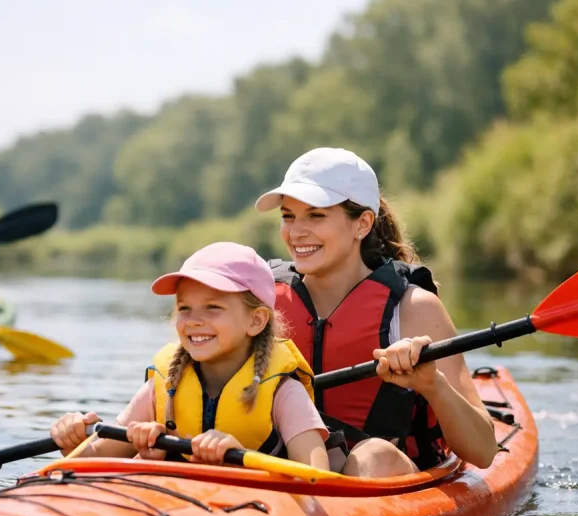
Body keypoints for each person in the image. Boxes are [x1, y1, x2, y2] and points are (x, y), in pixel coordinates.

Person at [254, 147, 499, 477]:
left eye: (316, 216)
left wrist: (432, 384)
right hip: (288, 470)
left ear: (362, 223)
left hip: (386, 477)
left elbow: (483, 452)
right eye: (288, 216)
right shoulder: (262, 304)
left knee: (374, 456)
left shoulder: (414, 309)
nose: (296, 231)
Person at [50, 242, 329, 469]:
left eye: (212, 308)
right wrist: (71, 439)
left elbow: (316, 473)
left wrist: (239, 456)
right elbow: (90, 461)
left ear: (255, 321)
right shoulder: (164, 385)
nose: (194, 321)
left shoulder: (283, 390)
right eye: (185, 308)